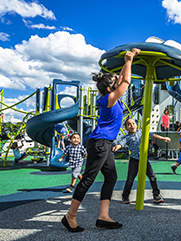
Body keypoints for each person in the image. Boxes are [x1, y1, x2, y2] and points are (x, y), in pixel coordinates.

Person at [61, 48, 140, 232]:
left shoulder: (113, 96)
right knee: (88, 178)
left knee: (111, 177)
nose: (119, 83)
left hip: (106, 143)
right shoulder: (109, 99)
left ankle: (103, 216)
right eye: (116, 84)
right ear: (110, 88)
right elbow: (126, 81)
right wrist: (129, 60)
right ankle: (69, 216)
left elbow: (121, 79)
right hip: (100, 143)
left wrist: (126, 62)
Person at [112, 118, 171, 204]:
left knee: (152, 177)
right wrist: (116, 147)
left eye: (133, 123)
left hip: (144, 159)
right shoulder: (127, 137)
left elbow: (153, 135)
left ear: (136, 125)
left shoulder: (141, 132)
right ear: (126, 128)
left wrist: (163, 138)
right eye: (129, 124)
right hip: (134, 160)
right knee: (130, 179)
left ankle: (156, 195)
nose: (132, 125)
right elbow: (121, 143)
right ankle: (125, 196)